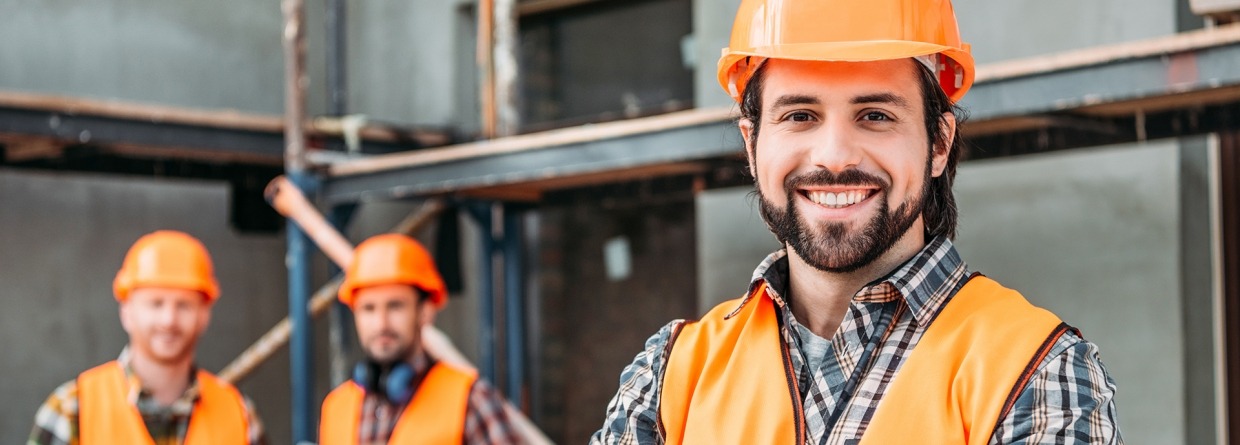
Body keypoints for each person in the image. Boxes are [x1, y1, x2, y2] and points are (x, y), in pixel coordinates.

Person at [593, 0, 1122, 443]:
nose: (836, 156)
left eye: (876, 116)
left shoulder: (1037, 372)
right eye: (799, 115)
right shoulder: (670, 377)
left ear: (938, 143)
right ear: (752, 145)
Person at [29, 230, 266, 445]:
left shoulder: (239, 413)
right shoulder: (72, 409)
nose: (168, 320)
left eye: (183, 305)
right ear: (127, 312)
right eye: (155, 304)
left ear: (204, 315)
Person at [319, 233, 520, 444]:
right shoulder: (335, 409)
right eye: (368, 309)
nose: (381, 324)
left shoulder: (472, 400)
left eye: (395, 306)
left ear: (425, 312)